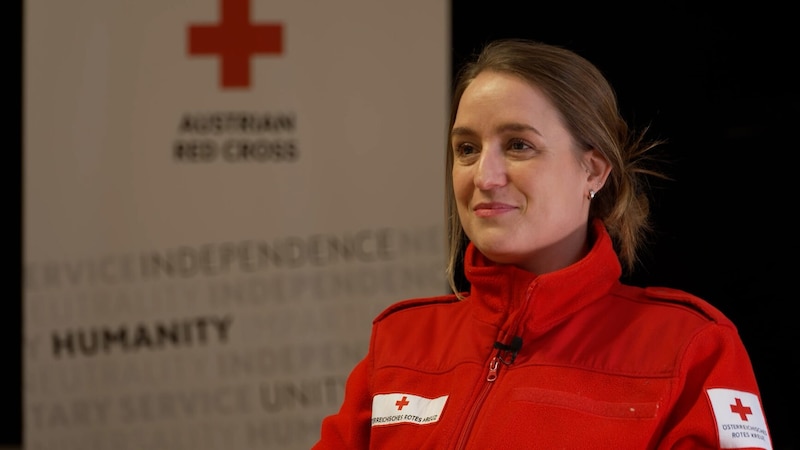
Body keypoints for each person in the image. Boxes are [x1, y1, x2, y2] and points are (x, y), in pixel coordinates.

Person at [312, 38, 772, 449]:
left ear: (593, 170)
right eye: (467, 149)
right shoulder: (400, 342)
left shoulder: (689, 347)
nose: (484, 177)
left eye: (518, 146)